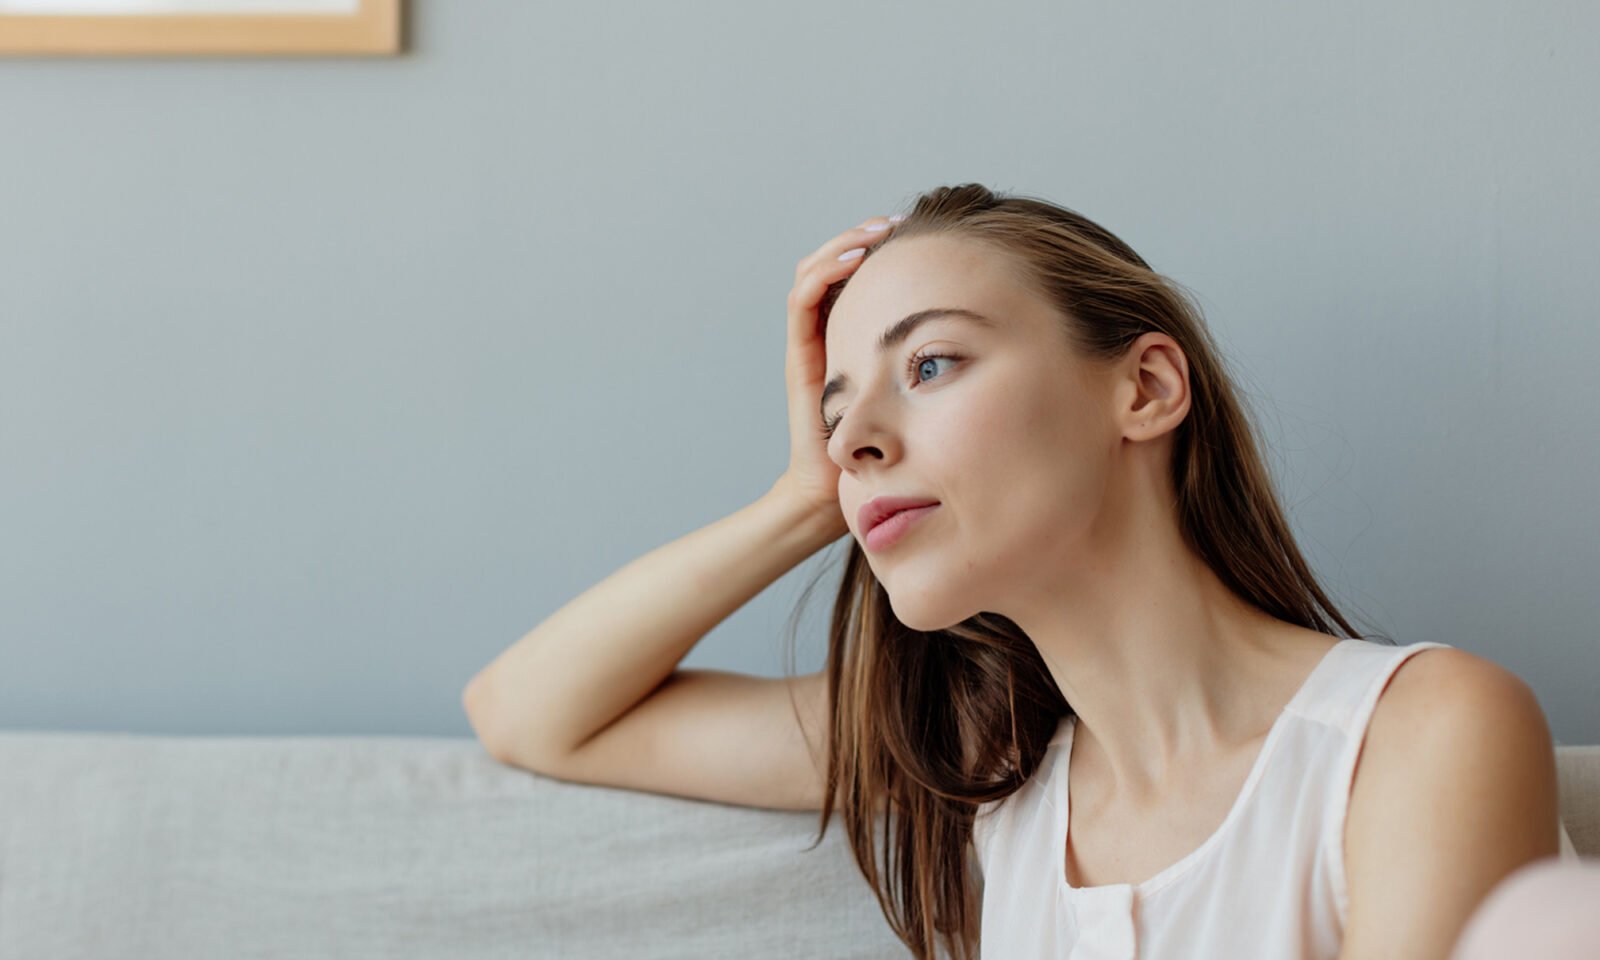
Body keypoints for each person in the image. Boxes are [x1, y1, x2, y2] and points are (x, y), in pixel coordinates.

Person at [464, 183, 1573, 960]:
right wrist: (800, 501)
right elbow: (529, 713)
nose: (855, 438)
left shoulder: (1418, 734)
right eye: (837, 409)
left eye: (931, 362)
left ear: (1141, 390)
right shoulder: (982, 760)